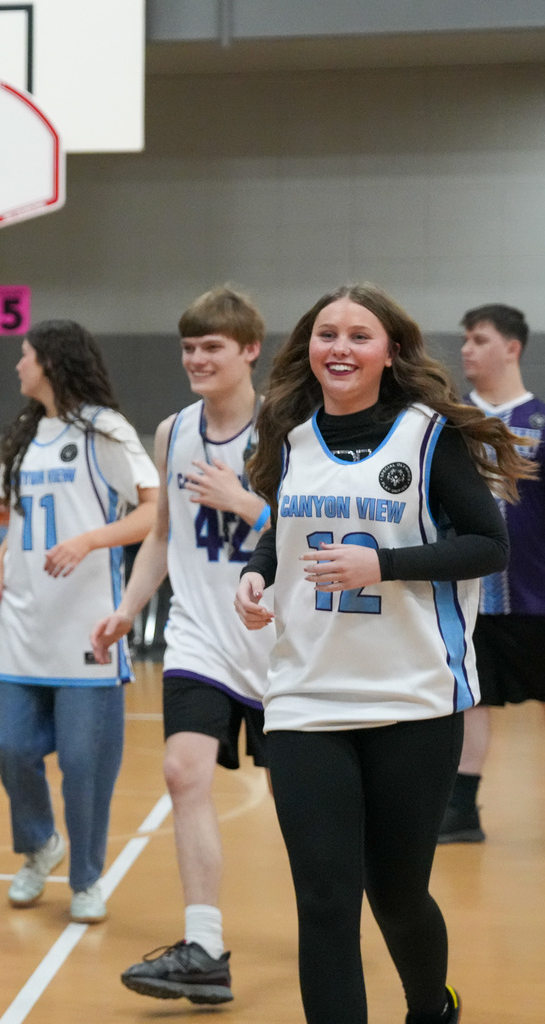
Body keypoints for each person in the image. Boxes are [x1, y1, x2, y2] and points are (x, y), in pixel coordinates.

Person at [234, 283, 533, 1024]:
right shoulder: (288, 431)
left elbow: (487, 546)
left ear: (389, 351)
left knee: (396, 894)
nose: (340, 347)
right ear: (309, 347)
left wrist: (387, 565)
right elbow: (284, 525)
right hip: (305, 696)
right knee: (326, 901)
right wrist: (257, 568)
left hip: (412, 697)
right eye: (327, 333)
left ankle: (431, 1005)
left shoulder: (428, 435)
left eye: (358, 335)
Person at [89, 286, 273, 1004]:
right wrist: (128, 608)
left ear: (249, 350)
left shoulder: (289, 430)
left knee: (307, 809)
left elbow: (310, 531)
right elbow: (163, 533)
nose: (197, 358)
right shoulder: (174, 432)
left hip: (282, 641)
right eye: (189, 347)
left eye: (212, 347)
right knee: (182, 771)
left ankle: (341, 915)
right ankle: (204, 947)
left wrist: (248, 504)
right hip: (200, 634)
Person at [0, 319, 159, 924]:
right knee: (7, 746)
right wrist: (0, 561)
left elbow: (152, 516)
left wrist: (88, 541)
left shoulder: (104, 431)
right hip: (24, 623)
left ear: (52, 363)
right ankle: (40, 845)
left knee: (84, 765)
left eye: (25, 355)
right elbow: (25, 518)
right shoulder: (25, 435)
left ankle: (85, 878)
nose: (18, 365)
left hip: (89, 627)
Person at [438, 304, 545, 843]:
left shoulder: (542, 420)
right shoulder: (449, 422)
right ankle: (461, 811)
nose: (466, 349)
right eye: (465, 339)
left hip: (537, 597)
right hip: (473, 596)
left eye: (479, 339)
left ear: (512, 348)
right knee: (472, 698)